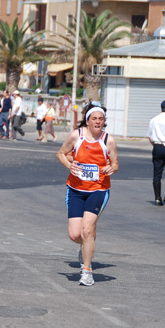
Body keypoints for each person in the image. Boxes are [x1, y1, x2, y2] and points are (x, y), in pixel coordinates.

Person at [56, 103, 119, 286]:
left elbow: (115, 164)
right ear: (88, 120)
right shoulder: (77, 136)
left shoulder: (109, 140)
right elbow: (61, 153)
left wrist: (111, 169)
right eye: (94, 119)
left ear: (104, 121)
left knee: (87, 229)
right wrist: (70, 165)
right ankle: (86, 245)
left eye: (101, 119)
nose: (98, 122)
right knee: (75, 235)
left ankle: (86, 271)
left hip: (99, 189)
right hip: (75, 189)